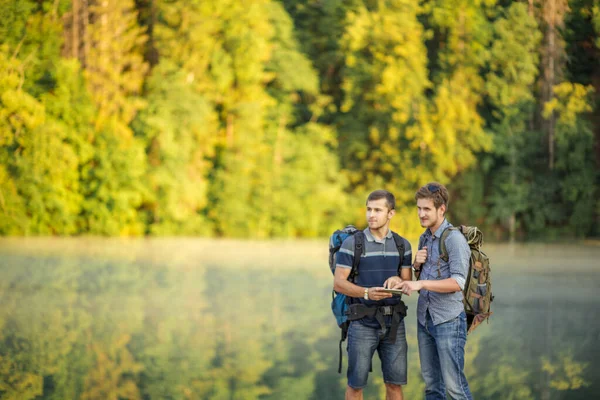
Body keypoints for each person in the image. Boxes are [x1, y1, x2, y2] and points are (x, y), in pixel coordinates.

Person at [396, 182, 473, 400]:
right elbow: (423, 279)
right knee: (432, 387)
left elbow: (458, 282)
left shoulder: (454, 240)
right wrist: (416, 266)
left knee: (455, 388)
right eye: (419, 208)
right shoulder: (424, 238)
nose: (421, 214)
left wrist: (421, 284)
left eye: (427, 209)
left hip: (448, 321)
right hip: (425, 320)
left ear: (442, 209)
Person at [334, 189, 412, 400]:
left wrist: (399, 281)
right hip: (361, 324)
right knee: (356, 386)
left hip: (395, 324)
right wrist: (366, 292)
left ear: (391, 213)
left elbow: (408, 282)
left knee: (395, 385)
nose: (371, 215)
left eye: (378, 210)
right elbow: (339, 283)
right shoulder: (353, 243)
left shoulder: (403, 245)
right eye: (369, 209)